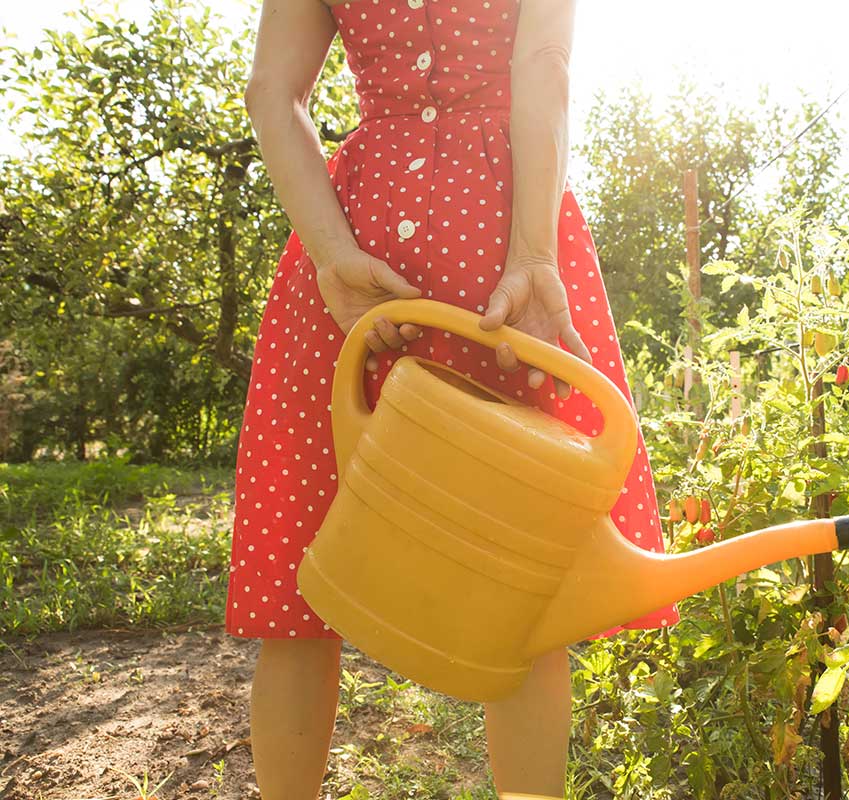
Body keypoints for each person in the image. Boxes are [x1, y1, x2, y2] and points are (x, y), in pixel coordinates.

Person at [225, 0, 680, 797]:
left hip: (357, 238)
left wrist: (334, 257)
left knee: (302, 579)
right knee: (527, 572)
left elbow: (274, 93)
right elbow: (545, 65)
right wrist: (535, 253)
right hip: (503, 228)